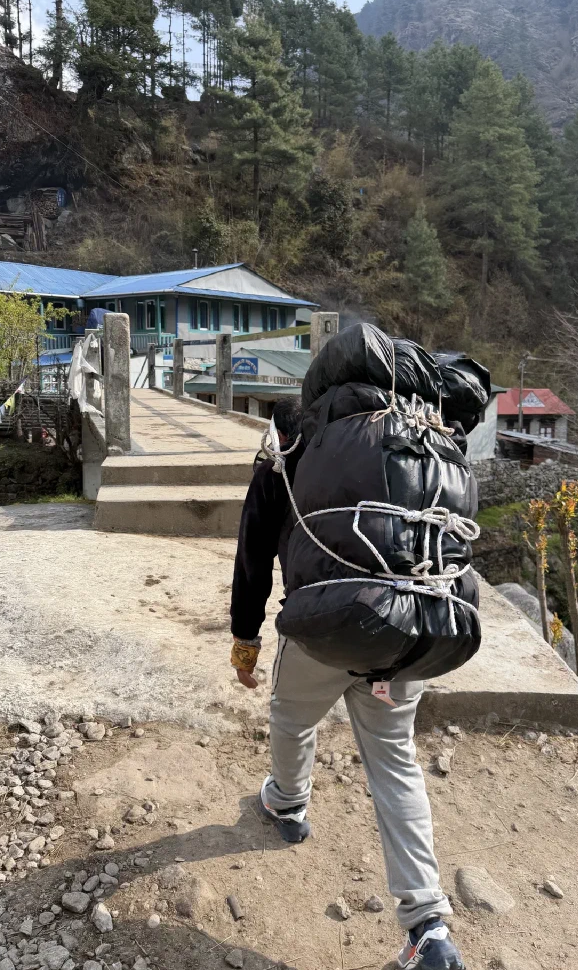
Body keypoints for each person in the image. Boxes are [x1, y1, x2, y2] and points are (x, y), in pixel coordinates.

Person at [230, 397, 466, 970]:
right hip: (407, 630)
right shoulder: (419, 436)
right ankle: (427, 927)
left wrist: (246, 640)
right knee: (394, 760)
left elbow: (254, 545)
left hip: (323, 627)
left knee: (292, 717)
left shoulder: (293, 439)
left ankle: (287, 805)